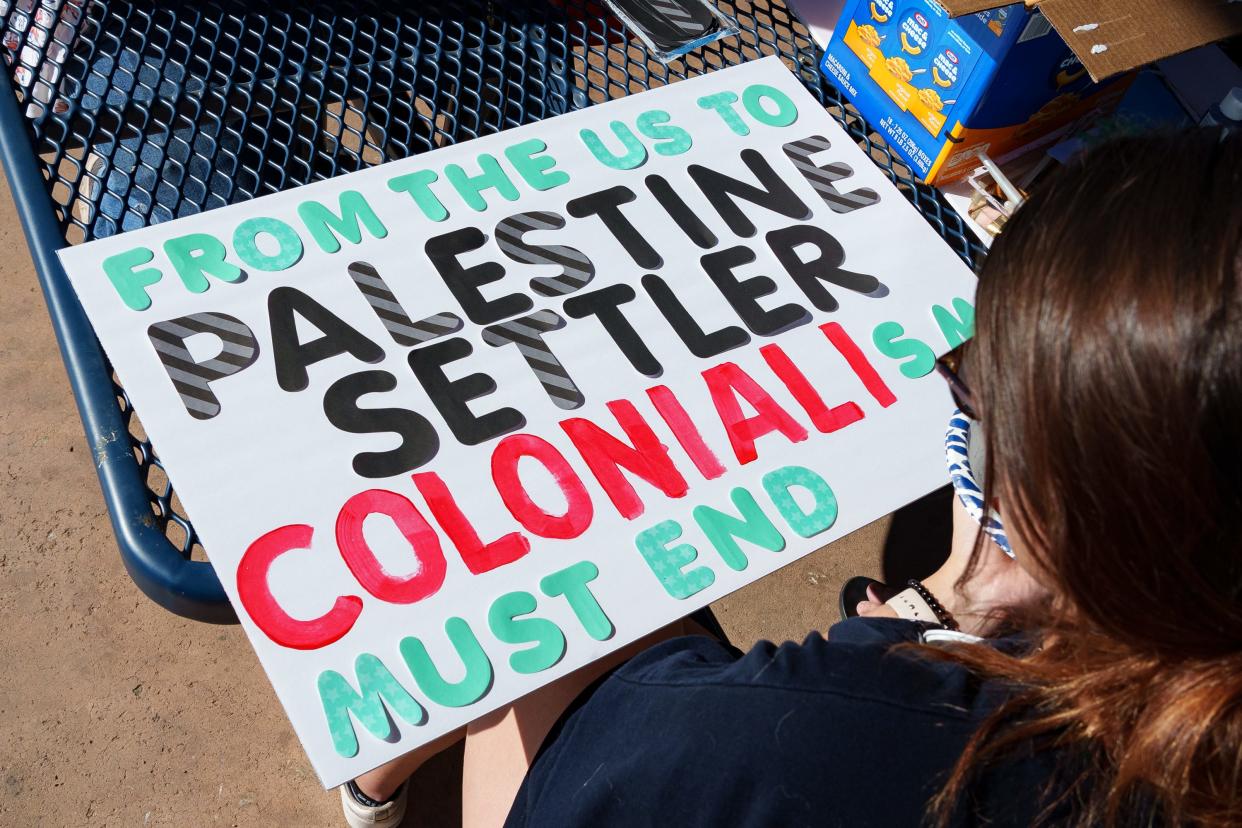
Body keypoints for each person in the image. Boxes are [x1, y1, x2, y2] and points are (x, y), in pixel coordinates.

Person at [339, 129, 1242, 827]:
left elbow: (615, 774)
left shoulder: (809, 738)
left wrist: (919, 627)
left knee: (544, 556)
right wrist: (957, 610)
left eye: (982, 380)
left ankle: (374, 789)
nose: (957, 389)